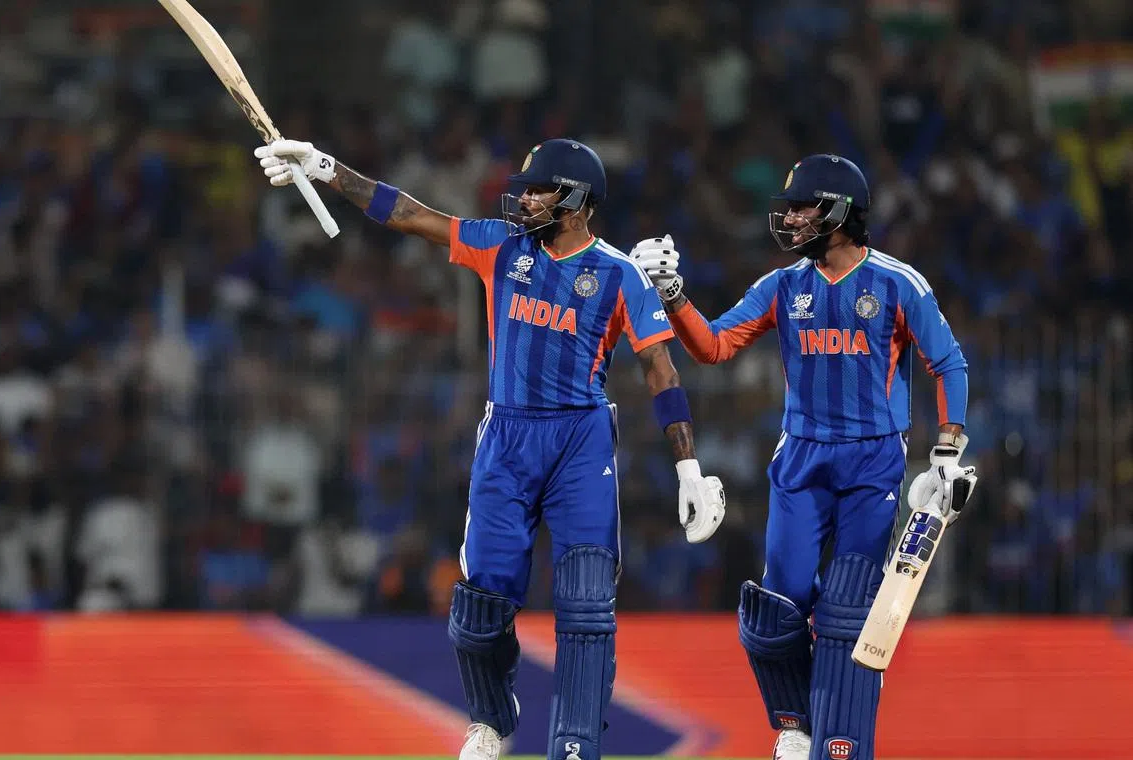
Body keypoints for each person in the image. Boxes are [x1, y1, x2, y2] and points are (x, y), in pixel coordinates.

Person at [254, 137, 725, 760]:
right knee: (479, 608)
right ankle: (492, 721)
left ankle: (576, 744)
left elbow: (660, 370)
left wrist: (688, 469)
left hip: (581, 442)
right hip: (507, 436)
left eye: (539, 191)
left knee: (587, 603)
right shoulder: (502, 246)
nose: (523, 200)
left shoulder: (621, 275)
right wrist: (324, 167)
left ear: (577, 201)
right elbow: (409, 214)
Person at [630, 154, 977, 760]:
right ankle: (796, 724)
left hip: (873, 460)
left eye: (802, 208)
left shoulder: (897, 283)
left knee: (846, 610)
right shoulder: (782, 285)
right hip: (801, 458)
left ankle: (840, 741)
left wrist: (946, 451)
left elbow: (948, 363)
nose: (789, 219)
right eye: (788, 209)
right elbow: (714, 346)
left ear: (840, 213)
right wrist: (672, 295)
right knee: (776, 607)